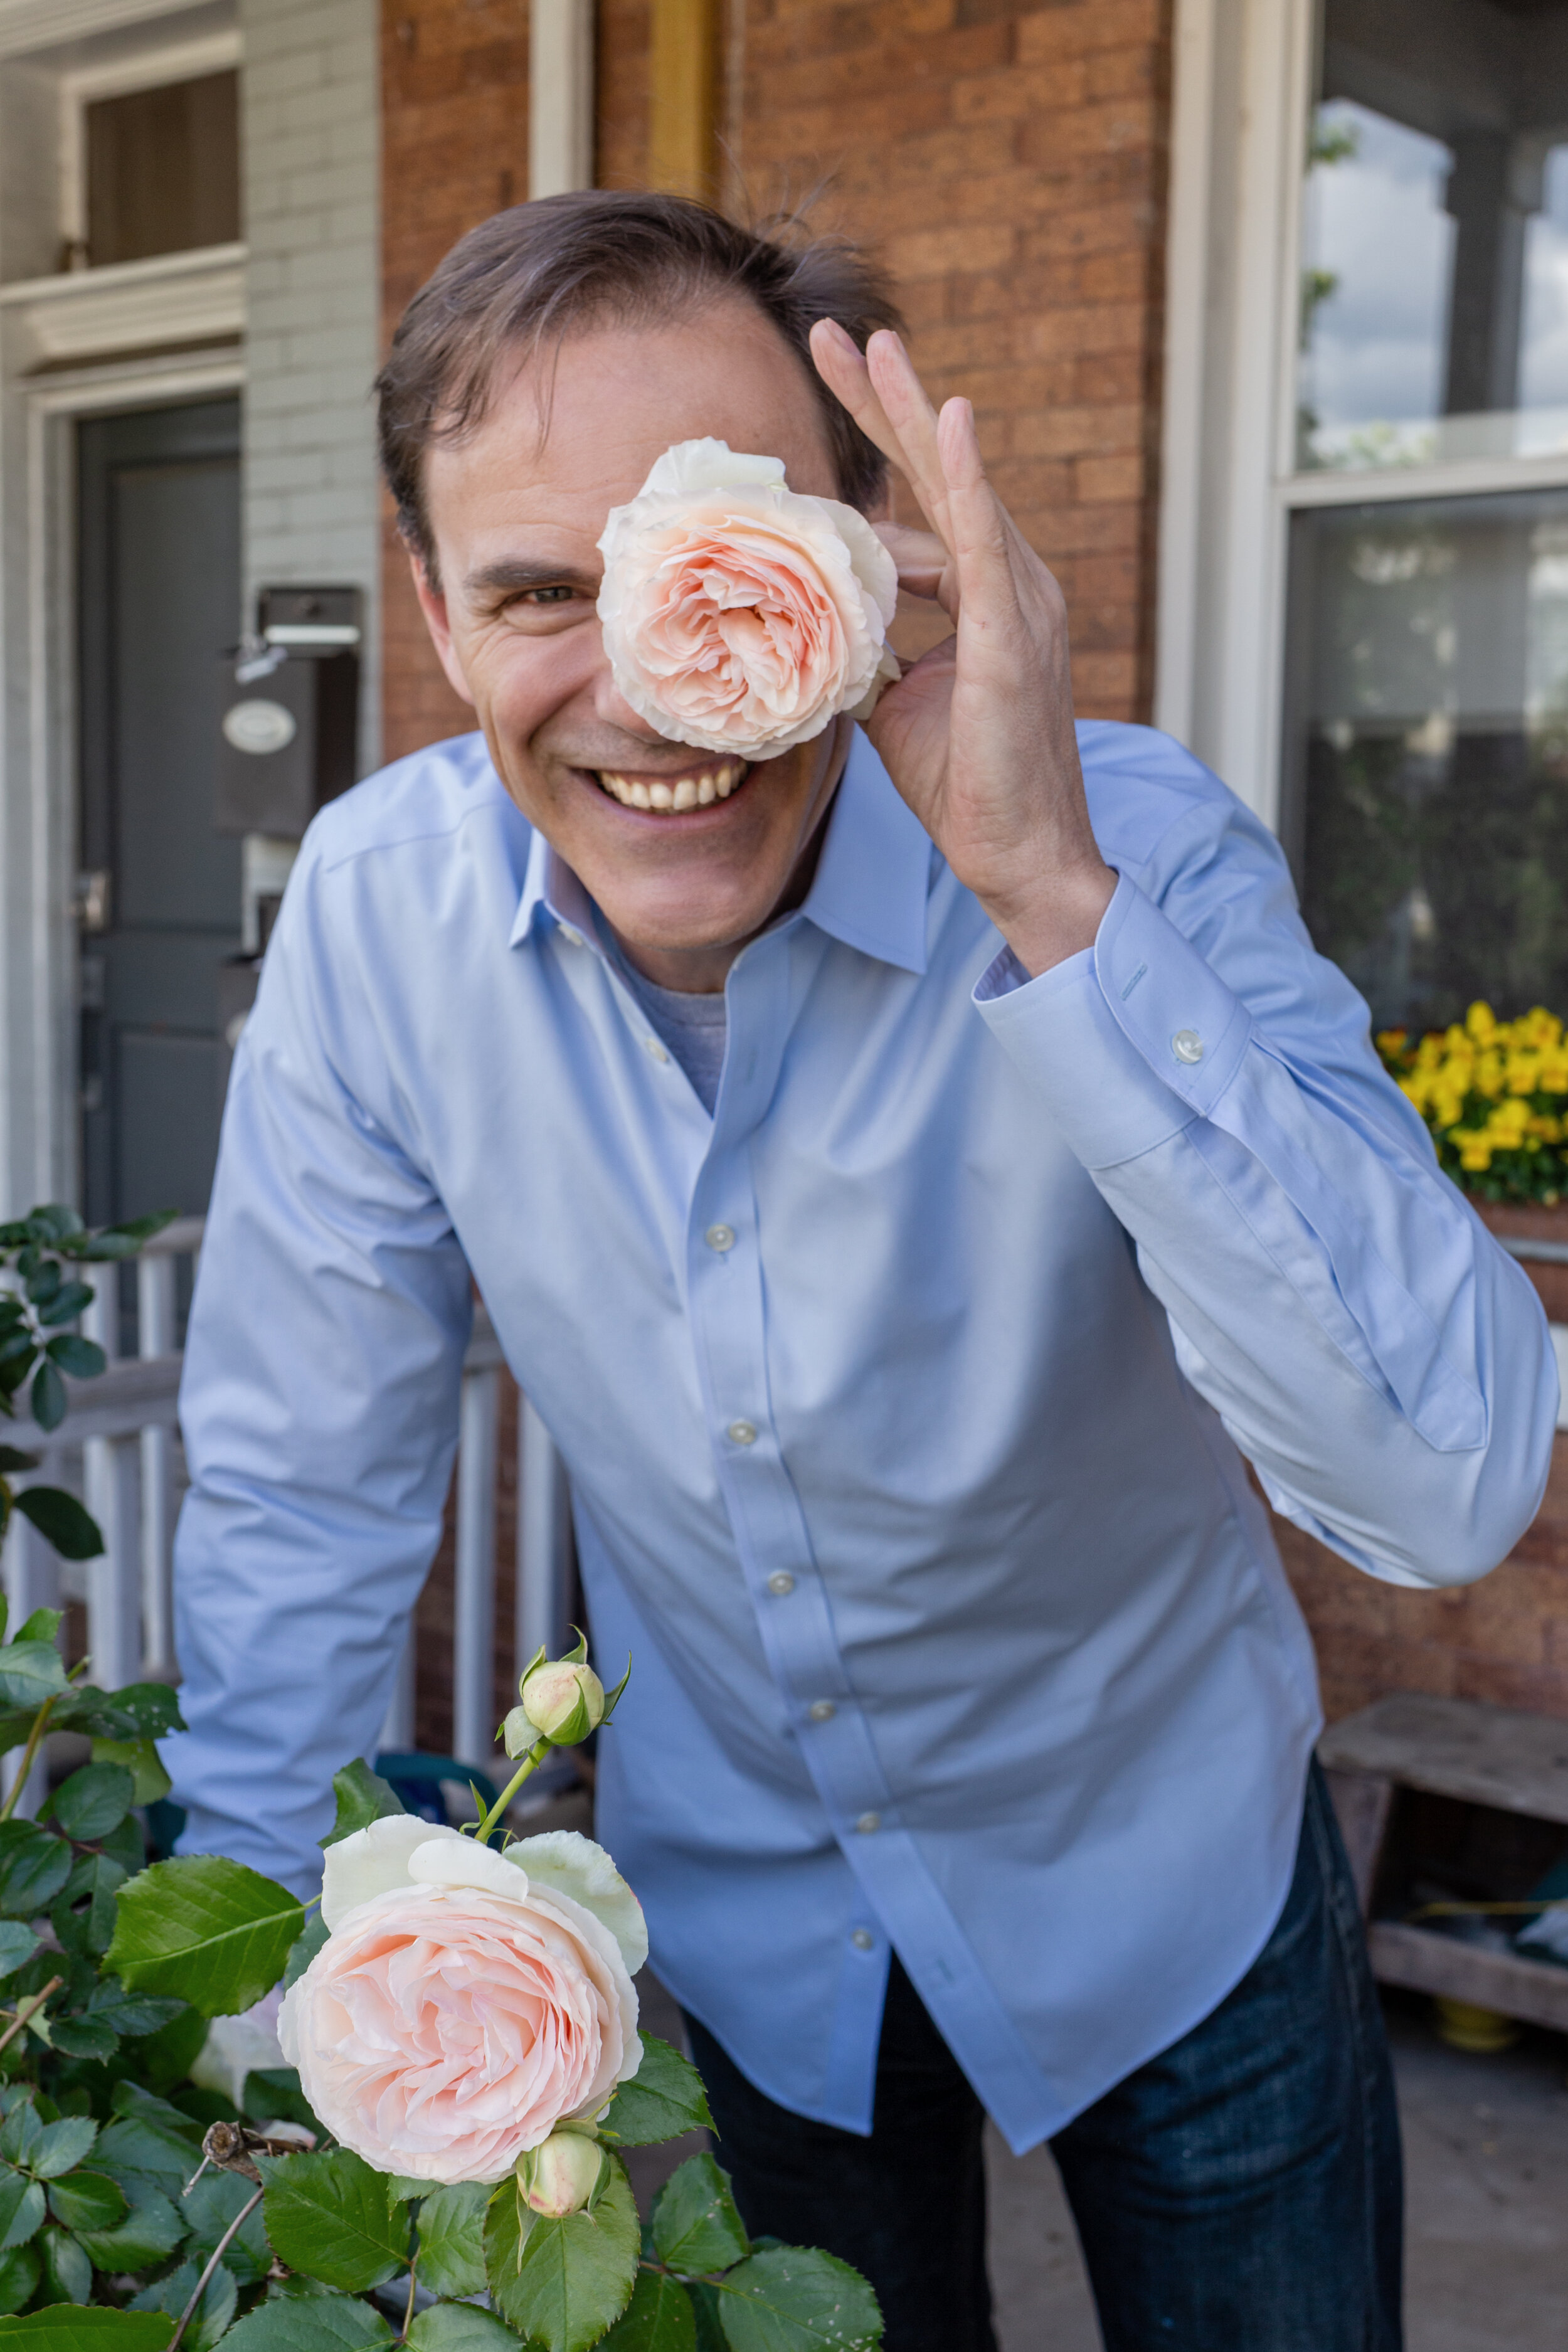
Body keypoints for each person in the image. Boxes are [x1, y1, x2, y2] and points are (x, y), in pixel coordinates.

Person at [165, 191, 1557, 2352]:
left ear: (878, 558)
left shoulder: (1129, 847)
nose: (645, 686)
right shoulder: (377, 917)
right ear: (437, 612)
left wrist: (1045, 894)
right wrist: (251, 2022)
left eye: (712, 569)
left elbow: (1449, 1486)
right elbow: (299, 1491)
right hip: (751, 1922)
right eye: (542, 591)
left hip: (1171, 1872)